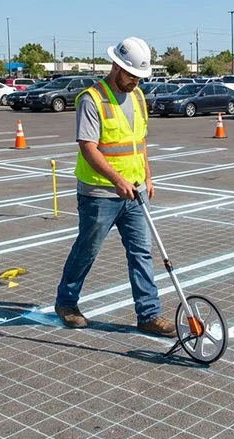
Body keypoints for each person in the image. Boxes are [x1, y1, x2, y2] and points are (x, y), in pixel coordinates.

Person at [54, 36, 176, 338]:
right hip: (99, 194)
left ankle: (148, 314)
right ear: (116, 66)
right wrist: (116, 180)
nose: (135, 81)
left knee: (141, 252)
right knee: (87, 249)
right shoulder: (91, 99)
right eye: (131, 75)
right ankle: (66, 303)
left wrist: (147, 175)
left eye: (139, 76)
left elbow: (139, 141)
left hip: (133, 192)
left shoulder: (137, 97)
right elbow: (88, 147)